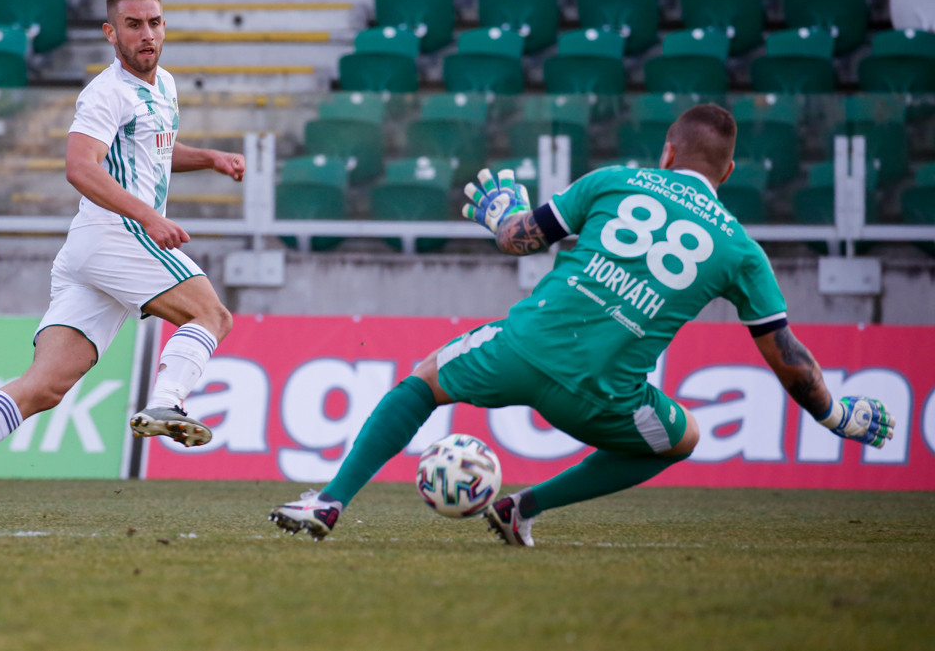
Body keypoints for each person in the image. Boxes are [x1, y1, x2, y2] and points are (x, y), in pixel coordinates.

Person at [269, 104, 895, 544]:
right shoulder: (741, 251)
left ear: (668, 151)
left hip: (522, 350)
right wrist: (833, 414)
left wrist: (502, 214)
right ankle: (523, 507)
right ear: (727, 173)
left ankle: (330, 500)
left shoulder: (617, 180)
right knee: (682, 438)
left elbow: (518, 239)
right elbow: (785, 354)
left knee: (423, 383)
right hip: (603, 396)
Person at [0, 0, 246, 524]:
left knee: (46, 385)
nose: (147, 34)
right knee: (212, 315)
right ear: (111, 33)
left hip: (92, 251)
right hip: (117, 234)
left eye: (154, 22)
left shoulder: (164, 85)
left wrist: (209, 158)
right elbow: (79, 166)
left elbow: (154, 151)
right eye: (133, 24)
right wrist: (149, 216)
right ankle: (167, 402)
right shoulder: (105, 92)